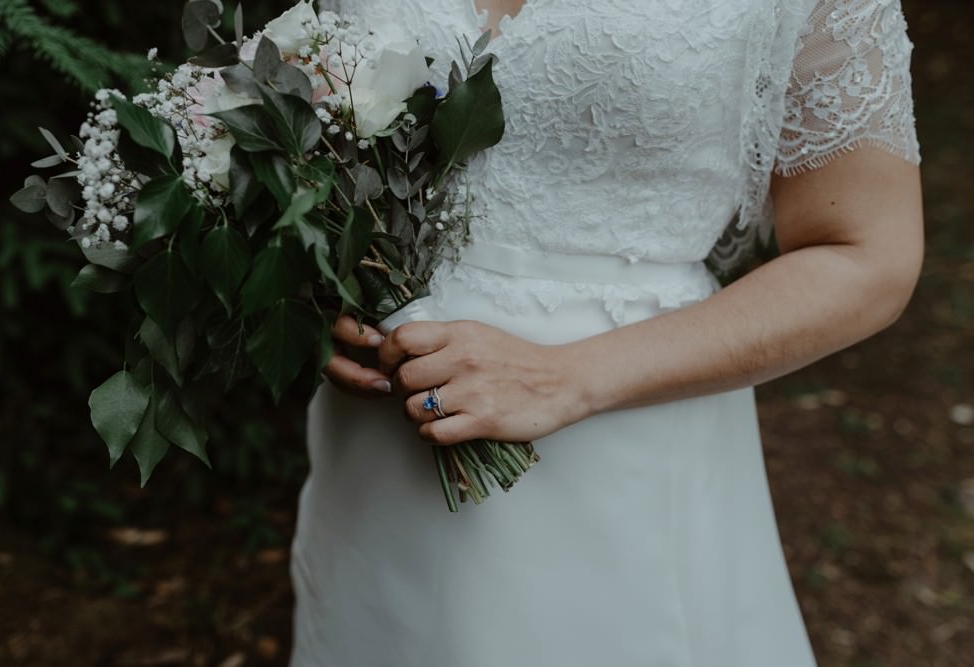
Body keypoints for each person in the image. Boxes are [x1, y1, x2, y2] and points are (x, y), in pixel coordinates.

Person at [291, 1, 923, 665]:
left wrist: (569, 378)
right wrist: (323, 279)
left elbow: (868, 256)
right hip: (379, 442)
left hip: (621, 446)